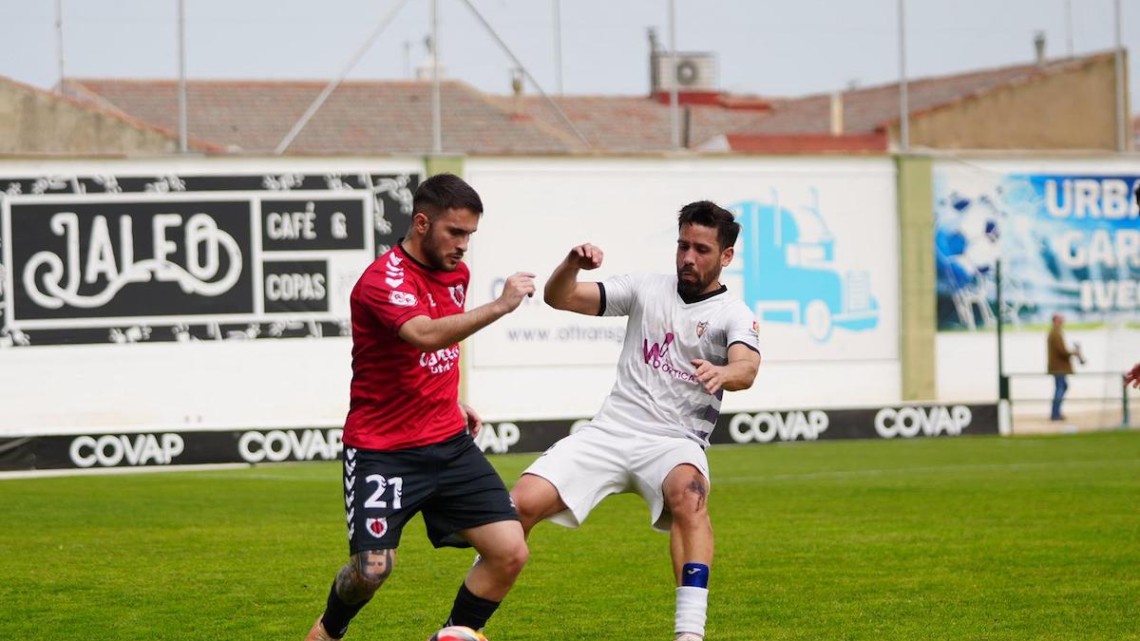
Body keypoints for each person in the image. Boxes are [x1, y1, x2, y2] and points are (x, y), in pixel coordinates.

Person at [510, 200, 761, 641]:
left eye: (701, 249)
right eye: (683, 245)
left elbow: (747, 368)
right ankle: (463, 624)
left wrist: (724, 372)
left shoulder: (733, 315)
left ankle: (689, 635)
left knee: (690, 496)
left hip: (674, 442)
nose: (687, 257)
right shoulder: (646, 288)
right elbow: (559, 297)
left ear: (726, 257)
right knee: (520, 504)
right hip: (610, 431)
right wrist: (572, 264)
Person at [304, 173, 536, 641]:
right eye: (456, 232)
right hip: (383, 450)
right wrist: (500, 306)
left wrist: (450, 398)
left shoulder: (457, 272)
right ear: (422, 223)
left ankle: (451, 636)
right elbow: (424, 333)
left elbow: (437, 347)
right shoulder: (381, 280)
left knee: (510, 550)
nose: (464, 245)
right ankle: (329, 630)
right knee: (372, 569)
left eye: (470, 234)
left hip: (448, 443)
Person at [1046, 313, 1083, 421]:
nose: (1063, 321)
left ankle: (1056, 412)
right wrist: (1074, 353)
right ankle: (1055, 413)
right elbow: (1062, 351)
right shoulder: (1055, 333)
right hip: (1059, 367)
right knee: (1060, 388)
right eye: (1060, 319)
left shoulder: (1055, 332)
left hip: (1057, 367)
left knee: (1062, 387)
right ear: (1055, 321)